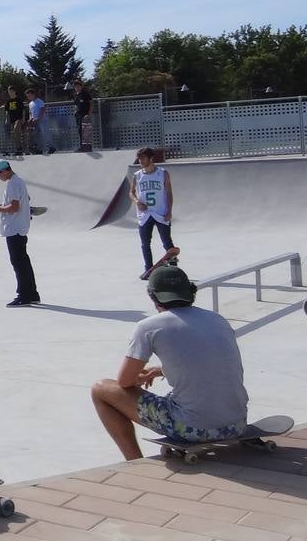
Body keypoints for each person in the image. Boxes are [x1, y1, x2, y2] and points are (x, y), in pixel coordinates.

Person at [90, 265, 248, 460]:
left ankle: (134, 462)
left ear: (153, 297)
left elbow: (124, 382)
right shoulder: (217, 319)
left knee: (101, 390)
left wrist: (136, 378)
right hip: (237, 423)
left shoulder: (149, 327)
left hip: (192, 428)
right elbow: (206, 362)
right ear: (190, 292)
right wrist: (159, 371)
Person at [0, 159, 39, 306]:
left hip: (14, 229)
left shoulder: (13, 183)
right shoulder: (19, 181)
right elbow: (24, 199)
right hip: (20, 228)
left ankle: (24, 295)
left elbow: (14, 207)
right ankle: (33, 294)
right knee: (24, 262)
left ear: (5, 171)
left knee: (18, 264)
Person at [130, 147, 176, 280]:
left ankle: (173, 266)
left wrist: (169, 210)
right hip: (144, 215)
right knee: (145, 243)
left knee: (166, 241)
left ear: (151, 158)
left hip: (160, 212)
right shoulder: (137, 175)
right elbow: (131, 192)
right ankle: (148, 269)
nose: (140, 161)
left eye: (143, 158)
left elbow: (169, 193)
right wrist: (137, 201)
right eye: (139, 158)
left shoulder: (163, 173)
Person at [4, 86, 27, 156]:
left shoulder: (18, 100)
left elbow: (23, 109)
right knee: (16, 134)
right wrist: (6, 118)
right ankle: (19, 148)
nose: (10, 93)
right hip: (12, 120)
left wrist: (23, 118)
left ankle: (20, 148)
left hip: (19, 119)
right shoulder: (8, 101)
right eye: (9, 92)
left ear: (14, 92)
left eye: (11, 92)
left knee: (15, 130)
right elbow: (7, 111)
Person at [26, 88, 49, 156]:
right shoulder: (30, 104)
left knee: (43, 134)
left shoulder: (39, 101)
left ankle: (48, 148)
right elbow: (30, 113)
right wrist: (30, 119)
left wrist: (38, 118)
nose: (28, 97)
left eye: (29, 95)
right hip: (34, 121)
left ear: (33, 94)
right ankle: (37, 149)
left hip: (41, 121)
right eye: (27, 96)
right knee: (36, 135)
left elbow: (42, 109)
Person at [72, 79, 94, 151]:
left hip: (85, 114)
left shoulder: (85, 93)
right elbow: (76, 104)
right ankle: (82, 146)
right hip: (78, 115)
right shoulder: (75, 95)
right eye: (76, 86)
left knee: (86, 131)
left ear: (81, 86)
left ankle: (88, 147)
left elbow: (91, 103)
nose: (77, 88)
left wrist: (89, 113)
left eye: (78, 86)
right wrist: (75, 112)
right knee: (80, 131)